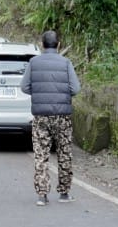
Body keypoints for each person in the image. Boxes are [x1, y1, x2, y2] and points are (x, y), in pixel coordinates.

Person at [20, 30, 81, 207]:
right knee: (64, 153)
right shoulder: (66, 62)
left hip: (41, 116)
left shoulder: (34, 62)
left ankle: (42, 195)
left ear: (42, 44)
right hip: (62, 116)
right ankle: (64, 193)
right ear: (59, 45)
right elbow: (75, 88)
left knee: (41, 155)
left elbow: (24, 87)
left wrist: (38, 92)